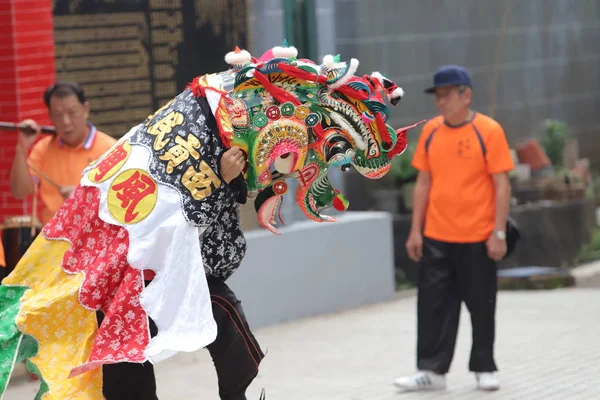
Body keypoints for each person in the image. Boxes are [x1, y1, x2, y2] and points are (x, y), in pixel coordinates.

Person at [394, 65, 514, 392]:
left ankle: (484, 367)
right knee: (433, 306)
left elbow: (501, 185)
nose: (441, 102)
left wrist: (498, 232)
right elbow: (423, 183)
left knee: (481, 305)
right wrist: (415, 231)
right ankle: (431, 372)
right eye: (438, 96)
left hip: (478, 237)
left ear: (466, 95)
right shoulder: (432, 131)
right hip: (436, 236)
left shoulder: (489, 131)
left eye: (447, 95)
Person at [10, 82, 117, 225]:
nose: (66, 122)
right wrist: (22, 146)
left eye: (72, 113)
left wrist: (86, 195)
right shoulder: (43, 149)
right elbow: (19, 192)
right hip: (54, 238)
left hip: (96, 235)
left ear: (86, 109)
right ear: (51, 117)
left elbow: (122, 200)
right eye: (58, 115)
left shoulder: (111, 149)